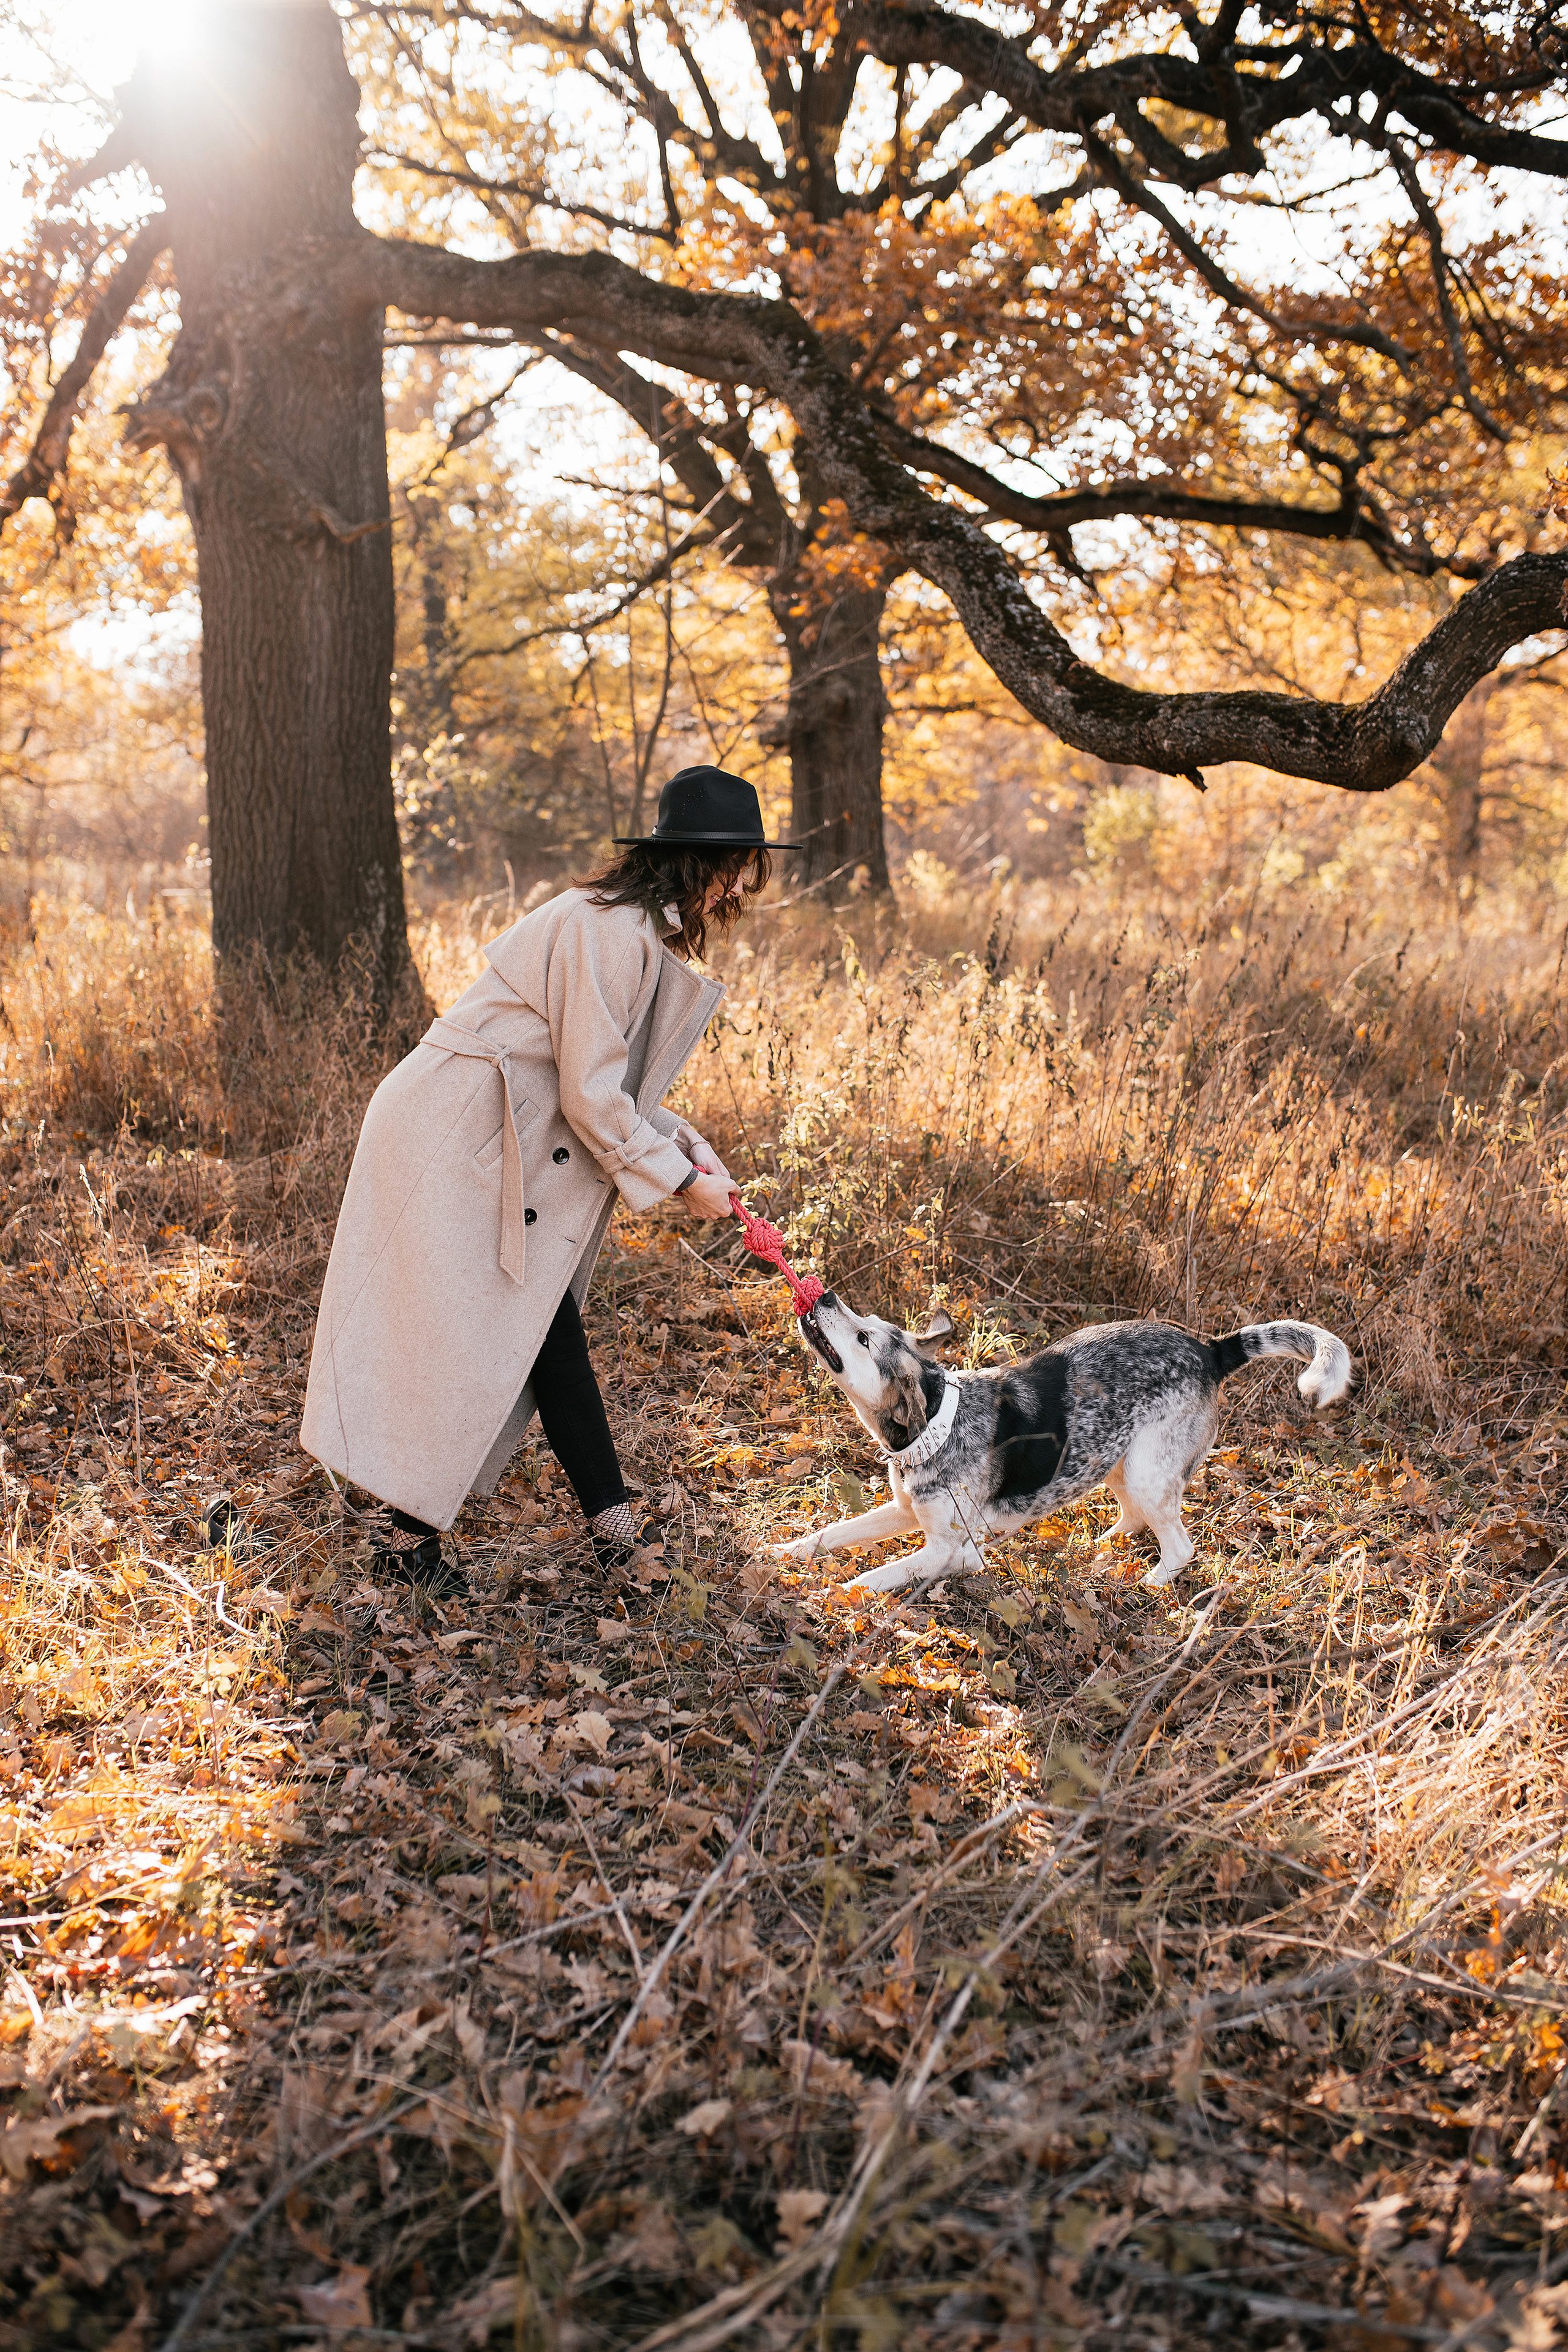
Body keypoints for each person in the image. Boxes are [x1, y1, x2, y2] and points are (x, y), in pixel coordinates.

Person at [297, 766, 793, 1591]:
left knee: (524, 1327)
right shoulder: (611, 932)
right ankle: (605, 1539)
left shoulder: (631, 928)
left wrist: (689, 1152)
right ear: (695, 860)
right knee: (519, 1324)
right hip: (452, 1134)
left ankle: (444, 1540)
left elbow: (601, 1084)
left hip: (493, 1130)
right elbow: (593, 1096)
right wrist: (679, 1184)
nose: (744, 882)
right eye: (738, 862)